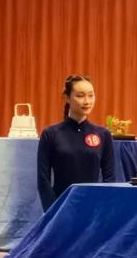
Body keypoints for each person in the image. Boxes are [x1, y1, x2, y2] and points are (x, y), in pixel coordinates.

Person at [37, 75, 115, 212]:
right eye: (80, 96)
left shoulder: (103, 134)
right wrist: (52, 211)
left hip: (93, 209)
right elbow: (43, 179)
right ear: (67, 98)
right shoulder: (50, 134)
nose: (87, 101)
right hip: (60, 208)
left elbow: (110, 178)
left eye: (91, 95)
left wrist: (100, 208)